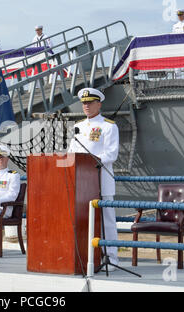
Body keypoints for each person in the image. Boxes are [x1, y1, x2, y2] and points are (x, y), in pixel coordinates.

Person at [68, 87, 119, 271]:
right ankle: (86, 256)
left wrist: (90, 161)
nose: (86, 106)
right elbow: (71, 153)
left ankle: (112, 258)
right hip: (81, 183)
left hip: (101, 179)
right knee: (82, 220)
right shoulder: (78, 126)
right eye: (84, 103)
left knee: (107, 221)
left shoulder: (109, 126)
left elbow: (111, 154)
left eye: (90, 103)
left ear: (99, 104)